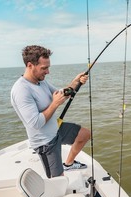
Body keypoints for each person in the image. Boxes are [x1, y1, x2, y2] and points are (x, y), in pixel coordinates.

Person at [11, 45, 90, 178]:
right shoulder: (21, 90)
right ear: (30, 65)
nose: (48, 72)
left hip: (56, 130)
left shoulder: (41, 82)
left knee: (85, 134)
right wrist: (54, 104)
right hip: (46, 143)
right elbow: (36, 123)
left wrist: (75, 82)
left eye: (48, 67)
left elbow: (61, 94)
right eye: (44, 68)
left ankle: (69, 164)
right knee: (58, 182)